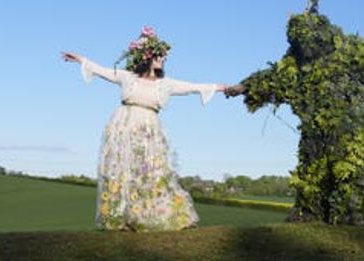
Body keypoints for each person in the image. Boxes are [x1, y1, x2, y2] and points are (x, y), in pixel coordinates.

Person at [63, 26, 245, 231]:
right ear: (147, 57)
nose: (163, 60)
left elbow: (193, 86)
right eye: (159, 57)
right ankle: (117, 218)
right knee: (120, 170)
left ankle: (153, 215)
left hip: (149, 130)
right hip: (123, 126)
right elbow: (102, 70)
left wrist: (221, 87)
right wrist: (81, 59)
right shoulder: (127, 77)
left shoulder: (166, 84)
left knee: (150, 172)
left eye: (164, 58)